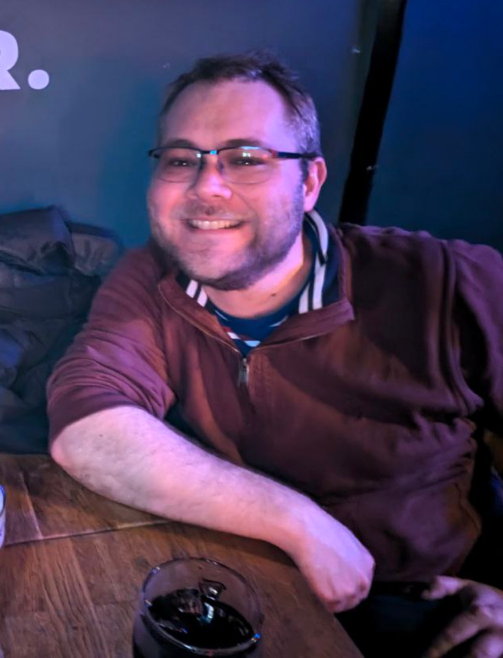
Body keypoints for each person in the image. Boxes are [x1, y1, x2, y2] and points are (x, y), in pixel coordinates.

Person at [46, 51, 503, 657]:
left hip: (422, 613)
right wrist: (299, 523)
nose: (207, 186)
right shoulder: (147, 279)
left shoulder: (449, 283)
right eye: (182, 160)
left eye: (246, 159)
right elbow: (88, 431)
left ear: (309, 182)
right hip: (239, 594)